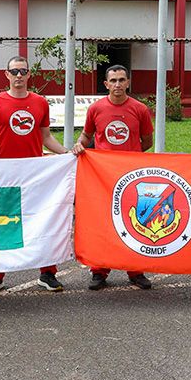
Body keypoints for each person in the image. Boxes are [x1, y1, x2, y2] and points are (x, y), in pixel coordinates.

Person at [0, 56, 71, 294]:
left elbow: (46, 138)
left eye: (23, 71)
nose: (19, 75)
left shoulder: (40, 102)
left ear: (29, 75)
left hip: (35, 174)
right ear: (6, 74)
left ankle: (48, 273)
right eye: (14, 71)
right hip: (3, 173)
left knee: (43, 220)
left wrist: (68, 154)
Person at [71, 65, 154, 290]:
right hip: (103, 178)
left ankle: (135, 271)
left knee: (134, 221)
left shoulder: (140, 109)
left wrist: (128, 159)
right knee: (103, 223)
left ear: (128, 82)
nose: (117, 84)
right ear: (106, 84)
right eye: (113, 80)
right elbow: (87, 135)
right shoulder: (96, 109)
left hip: (131, 177)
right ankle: (99, 271)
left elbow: (147, 141)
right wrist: (79, 145)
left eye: (121, 80)